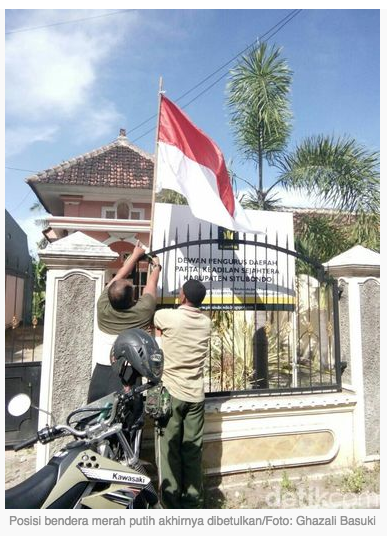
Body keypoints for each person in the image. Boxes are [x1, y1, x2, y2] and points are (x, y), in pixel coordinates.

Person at [153, 279, 212, 509]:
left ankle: (170, 503)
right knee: (192, 450)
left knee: (170, 450)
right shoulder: (206, 323)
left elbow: (155, 322)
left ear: (184, 297)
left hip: (172, 392)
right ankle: (194, 502)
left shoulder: (168, 316)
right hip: (196, 395)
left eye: (179, 292)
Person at [87, 241, 161, 403]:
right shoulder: (142, 312)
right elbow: (151, 285)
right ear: (133, 298)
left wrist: (135, 254)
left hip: (102, 370)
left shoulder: (102, 306)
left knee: (94, 416)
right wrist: (156, 266)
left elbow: (119, 275)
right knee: (127, 420)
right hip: (129, 373)